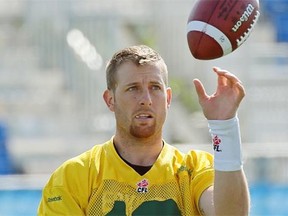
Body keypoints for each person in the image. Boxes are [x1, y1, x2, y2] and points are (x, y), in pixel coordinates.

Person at [38, 45, 249, 215]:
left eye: (155, 88)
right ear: (110, 100)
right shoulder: (75, 176)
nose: (146, 100)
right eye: (133, 89)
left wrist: (225, 126)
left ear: (167, 98)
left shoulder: (195, 169)